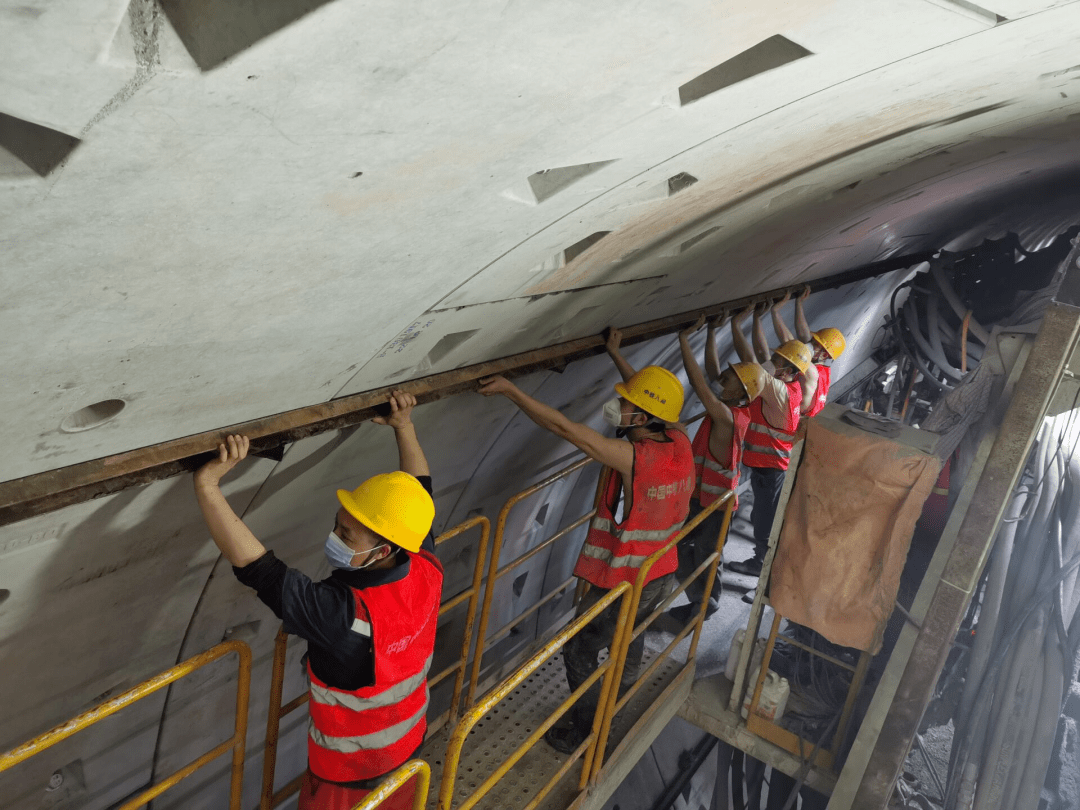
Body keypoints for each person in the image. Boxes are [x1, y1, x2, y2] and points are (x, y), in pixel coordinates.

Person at [192, 391, 441, 810]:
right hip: (408, 754)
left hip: (349, 781)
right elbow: (420, 491)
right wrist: (405, 427)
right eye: (338, 524)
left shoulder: (344, 617)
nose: (335, 536)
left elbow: (258, 568)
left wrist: (207, 484)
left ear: (383, 551)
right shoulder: (423, 563)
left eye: (347, 535)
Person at [478, 338, 694, 755]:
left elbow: (563, 427)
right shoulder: (680, 439)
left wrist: (511, 390)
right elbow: (651, 399)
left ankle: (588, 727)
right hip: (660, 573)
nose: (619, 408)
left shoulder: (633, 458)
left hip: (622, 582)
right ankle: (615, 697)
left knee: (579, 650)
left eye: (627, 404)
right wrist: (616, 353)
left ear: (644, 415)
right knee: (627, 643)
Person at [669, 314, 768, 622]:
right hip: (706, 498)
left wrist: (683, 340)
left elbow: (700, 383)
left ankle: (705, 603)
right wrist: (713, 330)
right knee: (691, 550)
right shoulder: (738, 408)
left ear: (740, 391)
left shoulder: (726, 417)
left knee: (707, 555)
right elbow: (712, 374)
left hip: (714, 503)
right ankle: (701, 600)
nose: (723, 379)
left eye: (730, 380)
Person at [724, 305, 814, 580]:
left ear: (788, 370)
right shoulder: (794, 384)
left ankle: (763, 570)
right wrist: (754, 319)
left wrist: (736, 326)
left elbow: (753, 364)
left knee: (765, 522)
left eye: (778, 360)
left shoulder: (778, 392)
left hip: (770, 467)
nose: (773, 361)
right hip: (771, 465)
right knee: (765, 518)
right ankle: (763, 564)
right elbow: (763, 357)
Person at [770, 287, 846, 417]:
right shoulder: (819, 358)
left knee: (778, 362)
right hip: (802, 408)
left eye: (816, 344)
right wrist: (799, 302)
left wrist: (775, 311)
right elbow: (803, 334)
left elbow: (790, 344)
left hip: (794, 413)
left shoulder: (812, 370)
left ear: (825, 354)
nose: (811, 344)